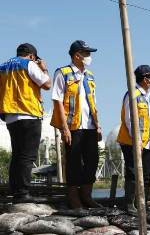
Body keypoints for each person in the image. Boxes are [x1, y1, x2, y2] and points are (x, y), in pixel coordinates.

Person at [51, 40, 102, 209]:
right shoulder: (62, 73)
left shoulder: (90, 75)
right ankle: (74, 198)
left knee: (92, 160)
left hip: (90, 126)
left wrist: (98, 125)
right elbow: (57, 99)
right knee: (73, 162)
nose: (89, 56)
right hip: (72, 126)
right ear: (76, 55)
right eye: (86, 53)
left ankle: (87, 195)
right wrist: (64, 127)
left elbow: (93, 101)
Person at [0, 43, 51, 203]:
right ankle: (23, 194)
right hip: (29, 113)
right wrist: (44, 68)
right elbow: (47, 84)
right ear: (31, 56)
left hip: (10, 116)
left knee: (17, 156)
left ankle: (16, 192)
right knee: (27, 157)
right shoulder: (28, 64)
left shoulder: (3, 67)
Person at [117, 65, 150, 215]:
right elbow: (129, 120)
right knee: (133, 173)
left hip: (147, 143)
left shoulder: (146, 97)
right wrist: (137, 140)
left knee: (146, 176)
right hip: (131, 142)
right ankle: (129, 205)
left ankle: (142, 204)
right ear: (146, 79)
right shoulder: (132, 94)